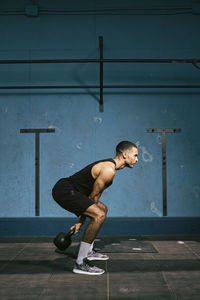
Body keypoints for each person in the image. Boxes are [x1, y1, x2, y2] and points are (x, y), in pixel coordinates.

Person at [52, 141, 138, 275]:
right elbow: (92, 199)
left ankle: (89, 251)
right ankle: (80, 263)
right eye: (135, 155)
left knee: (103, 209)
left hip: (75, 191)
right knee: (99, 215)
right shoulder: (109, 170)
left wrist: (81, 221)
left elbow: (94, 198)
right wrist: (81, 222)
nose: (137, 159)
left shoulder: (111, 168)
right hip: (64, 190)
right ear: (125, 154)